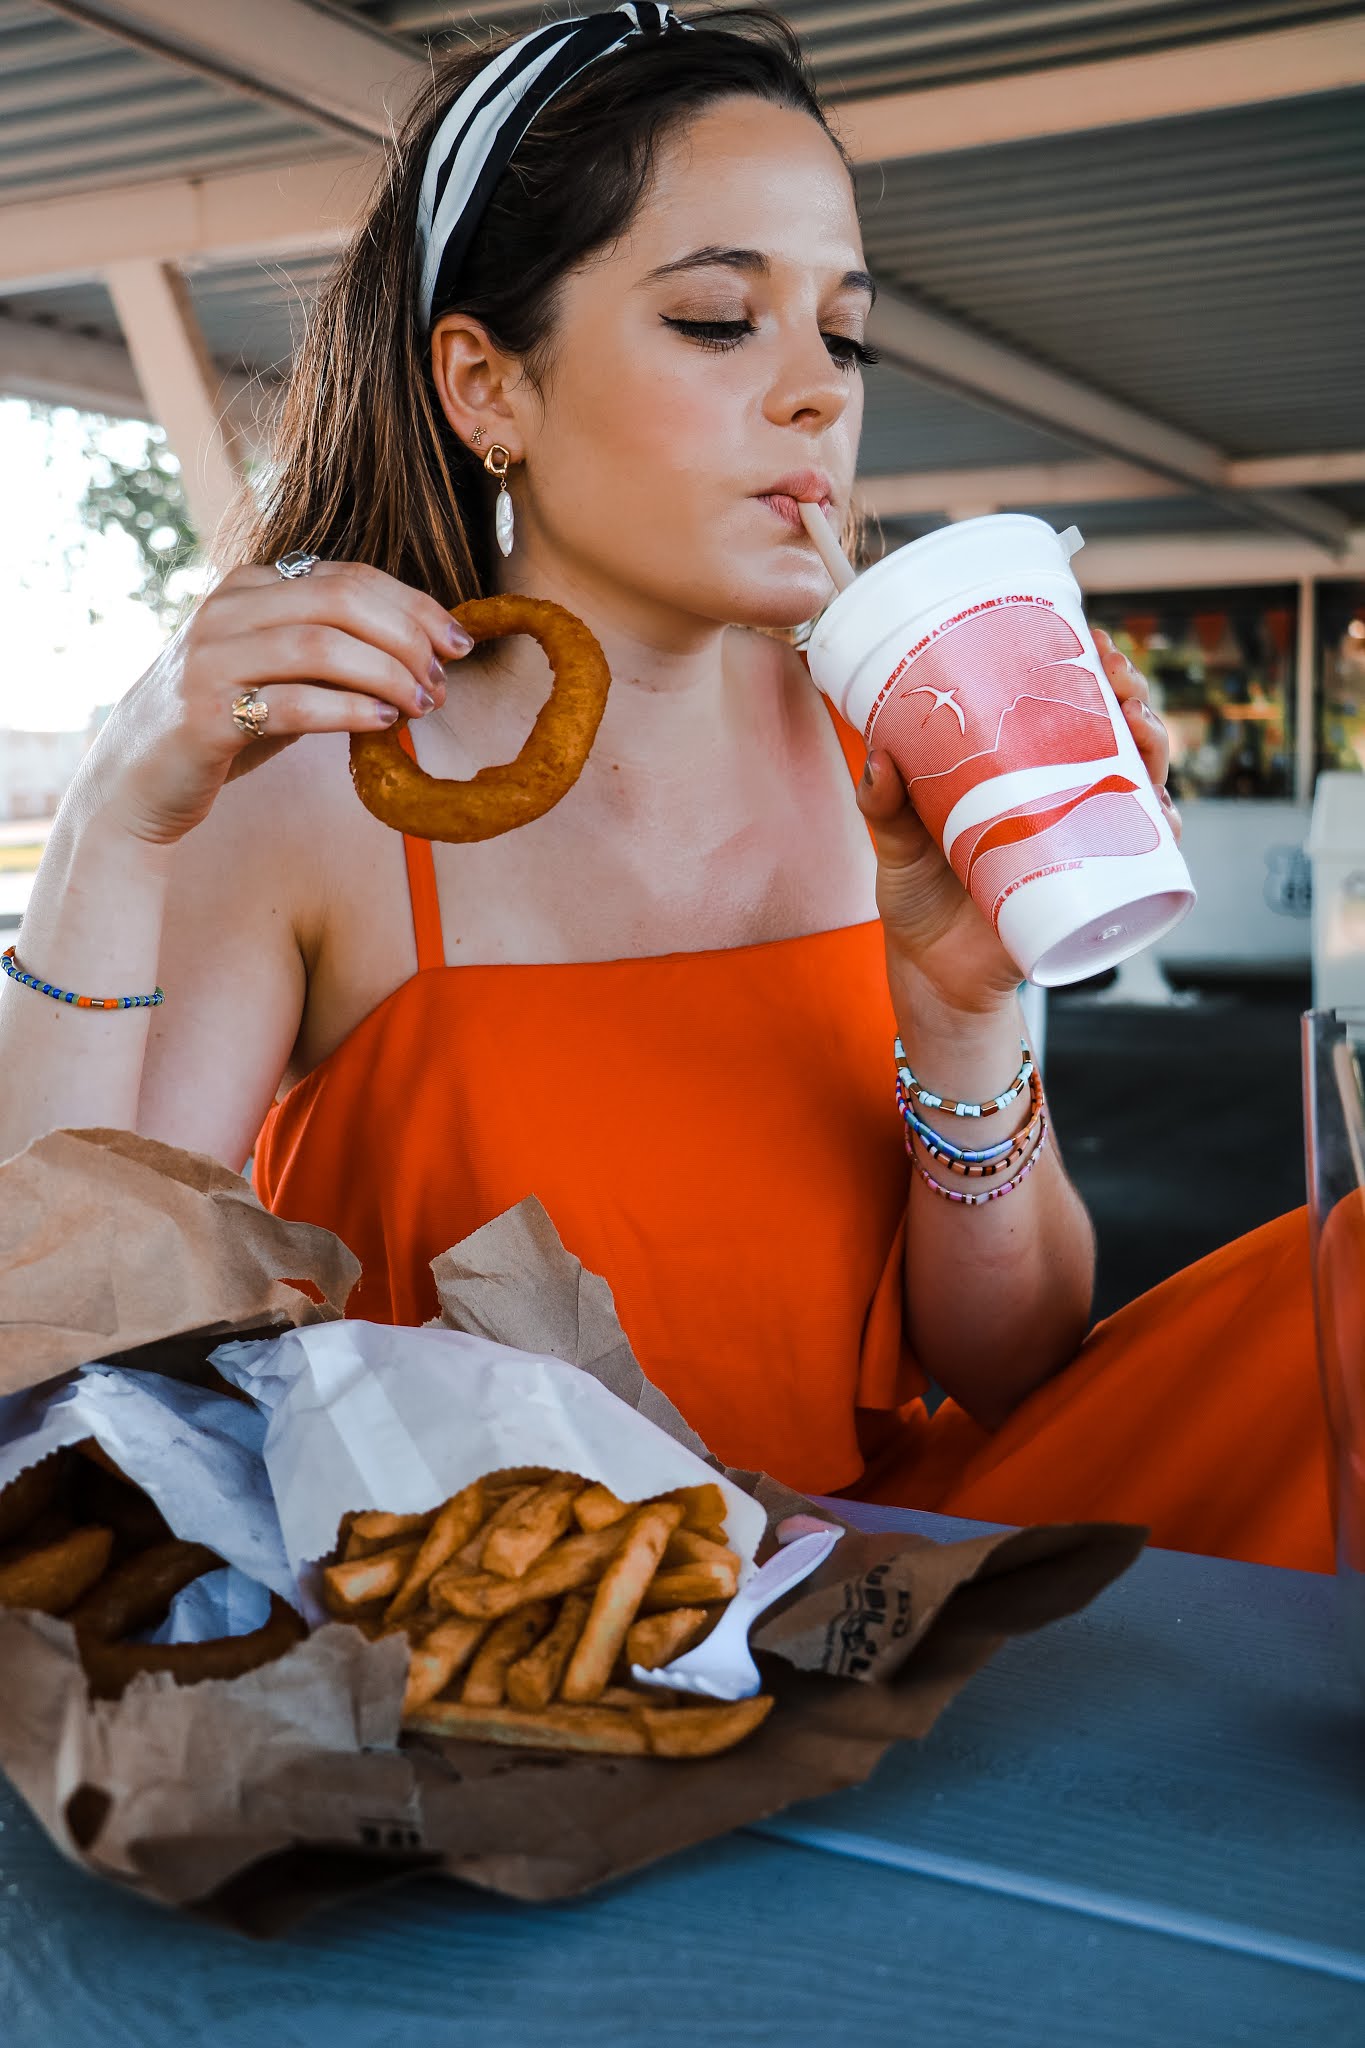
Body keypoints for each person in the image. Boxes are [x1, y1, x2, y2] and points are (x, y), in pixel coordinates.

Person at [0, 7, 1332, 1572]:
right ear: (485, 385)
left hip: (875, 1600)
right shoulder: (313, 789)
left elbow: (1017, 1367)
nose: (817, 394)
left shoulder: (892, 765)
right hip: (475, 1625)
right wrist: (109, 822)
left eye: (842, 334)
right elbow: (53, 1351)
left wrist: (962, 1011)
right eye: (718, 321)